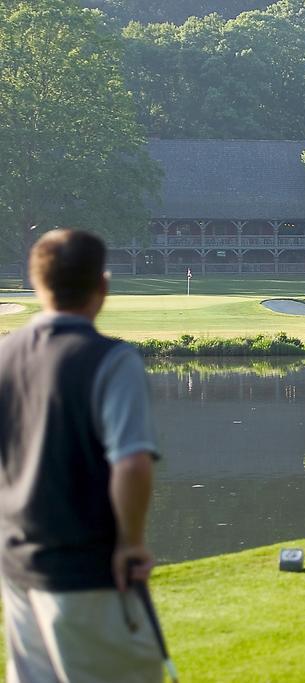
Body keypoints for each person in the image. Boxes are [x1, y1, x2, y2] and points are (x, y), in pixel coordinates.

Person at [0, 229, 163, 682]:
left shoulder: (4, 354)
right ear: (103, 286)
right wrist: (131, 542)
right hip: (88, 566)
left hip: (16, 567)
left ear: (37, 284)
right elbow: (131, 463)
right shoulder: (111, 360)